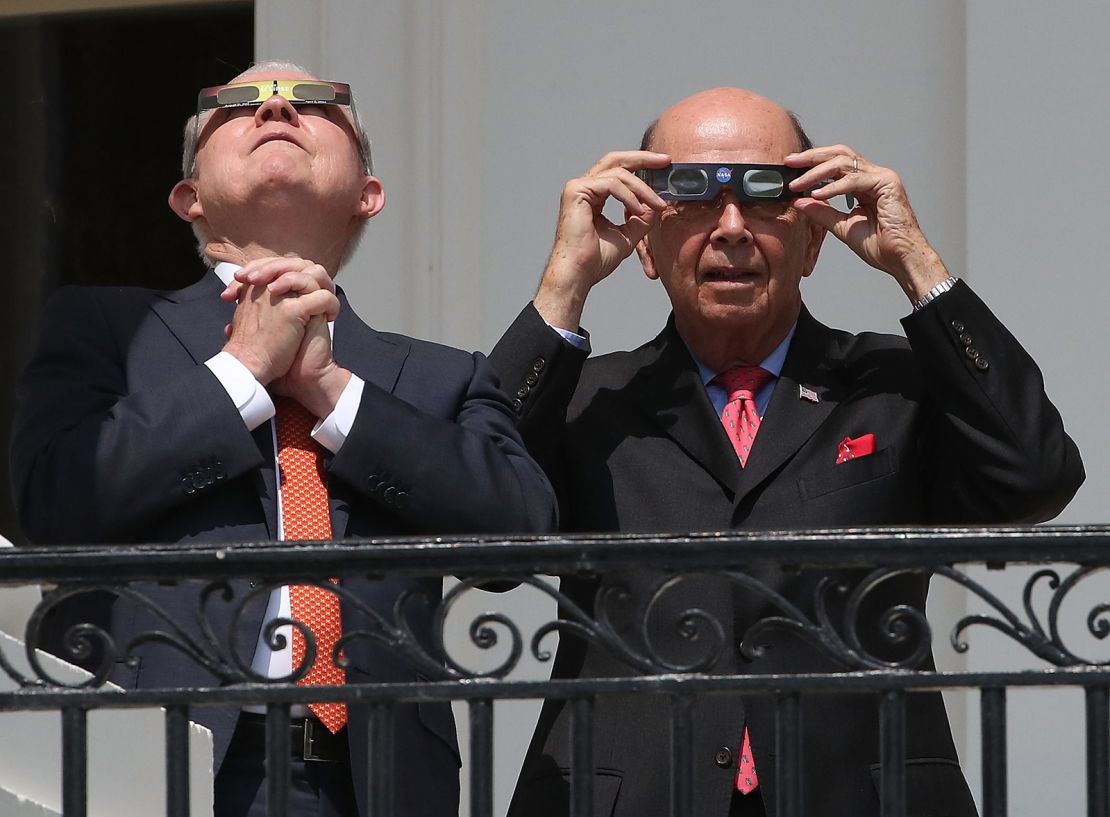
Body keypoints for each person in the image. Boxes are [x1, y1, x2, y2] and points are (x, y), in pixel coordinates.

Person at [489, 87, 1084, 817]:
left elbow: (1036, 476)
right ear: (644, 241)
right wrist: (564, 284)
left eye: (766, 196)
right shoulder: (588, 399)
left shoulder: (892, 386)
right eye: (694, 197)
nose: (732, 227)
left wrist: (916, 263)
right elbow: (478, 530)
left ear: (812, 239)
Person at [10, 61, 556, 817]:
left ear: (369, 195)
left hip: (372, 784)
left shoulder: (441, 378)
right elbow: (53, 504)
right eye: (237, 104)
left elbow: (521, 539)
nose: (275, 108)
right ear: (189, 197)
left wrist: (332, 391)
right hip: (157, 764)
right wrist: (242, 372)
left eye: (315, 102)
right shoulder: (107, 331)